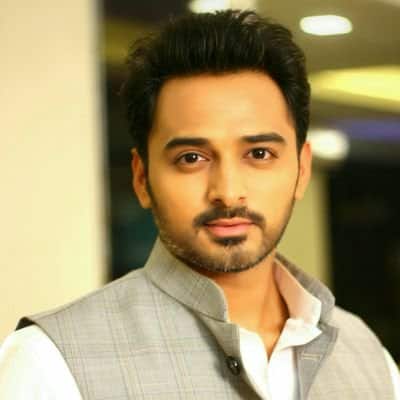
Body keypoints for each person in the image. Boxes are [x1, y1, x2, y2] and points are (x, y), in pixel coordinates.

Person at [0, 9, 399, 400]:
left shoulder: (367, 356)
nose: (228, 191)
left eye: (259, 154)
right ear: (142, 178)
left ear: (302, 169)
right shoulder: (49, 363)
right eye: (191, 158)